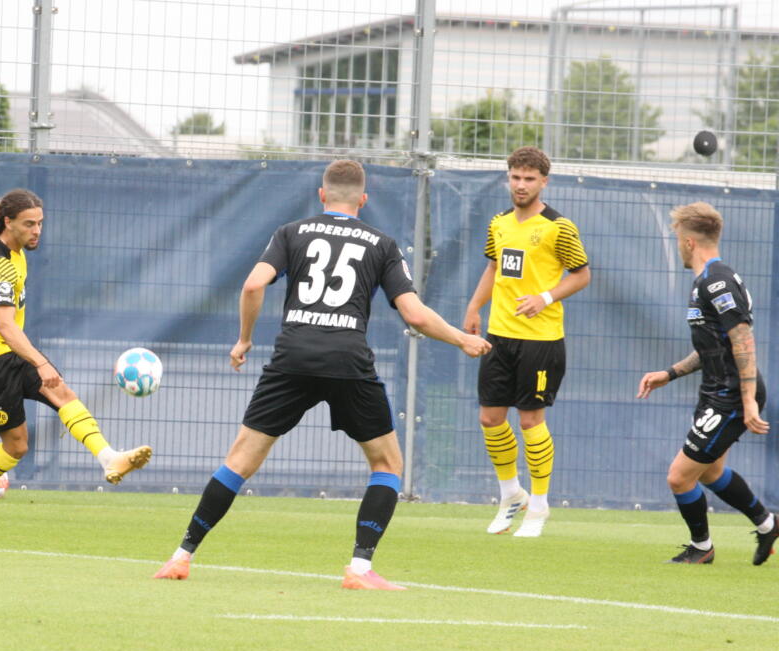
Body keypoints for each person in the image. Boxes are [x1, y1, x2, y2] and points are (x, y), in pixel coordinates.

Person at [152, 160, 491, 590]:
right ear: (363, 200)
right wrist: (461, 339)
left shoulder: (291, 233)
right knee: (387, 463)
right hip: (347, 358)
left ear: (321, 195)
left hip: (292, 356)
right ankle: (360, 569)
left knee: (239, 460)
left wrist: (243, 340)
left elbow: (254, 285)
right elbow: (413, 314)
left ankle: (182, 556)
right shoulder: (381, 244)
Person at [0, 188, 152, 519]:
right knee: (17, 447)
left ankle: (109, 457)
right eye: (29, 224)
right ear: (7, 222)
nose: (37, 231)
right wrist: (40, 362)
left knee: (63, 393)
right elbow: (6, 327)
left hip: (11, 352)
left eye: (40, 223)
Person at [636, 202, 775, 564]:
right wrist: (670, 373)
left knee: (679, 477)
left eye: (678, 239)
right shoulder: (707, 281)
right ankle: (767, 524)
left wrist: (746, 401)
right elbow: (715, 346)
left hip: (729, 394)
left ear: (688, 243)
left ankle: (702, 548)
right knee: (711, 471)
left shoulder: (717, 281)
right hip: (718, 390)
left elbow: (742, 339)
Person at [463, 146, 591, 538]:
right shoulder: (499, 223)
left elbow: (582, 274)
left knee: (531, 419)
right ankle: (509, 495)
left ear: (544, 182)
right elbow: (494, 266)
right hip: (499, 336)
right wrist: (473, 308)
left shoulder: (558, 227)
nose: (521, 185)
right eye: (516, 177)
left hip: (541, 340)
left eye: (529, 179)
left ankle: (538, 504)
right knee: (490, 418)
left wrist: (545, 297)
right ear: (509, 178)